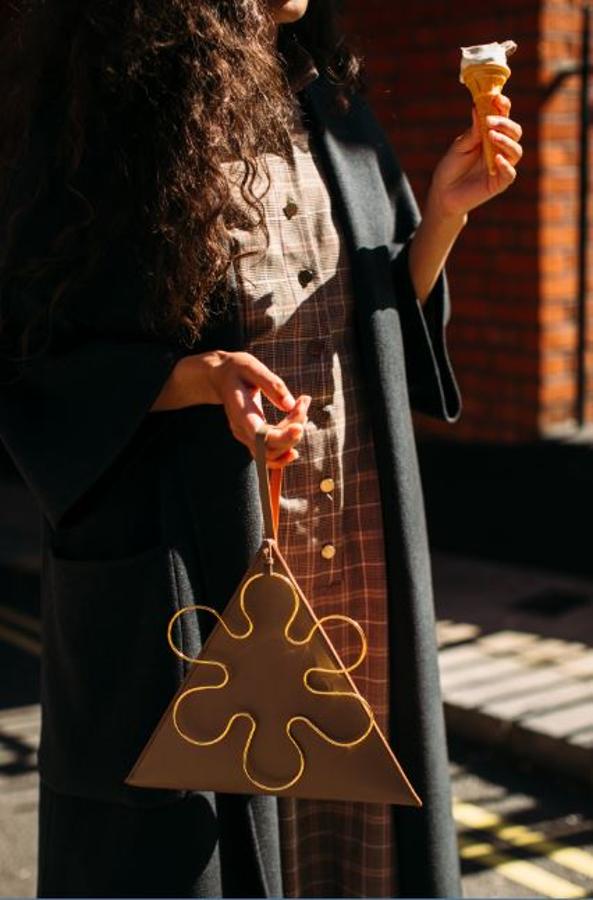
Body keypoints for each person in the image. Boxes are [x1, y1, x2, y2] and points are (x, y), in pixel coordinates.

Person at [0, 0, 523, 897]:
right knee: (210, 848)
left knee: (356, 839)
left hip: (350, 541)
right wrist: (195, 379)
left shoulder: (330, 103)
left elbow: (375, 313)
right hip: (195, 558)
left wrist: (443, 214)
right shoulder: (106, 120)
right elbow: (28, 359)